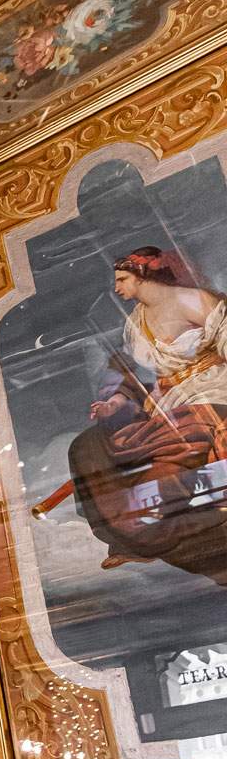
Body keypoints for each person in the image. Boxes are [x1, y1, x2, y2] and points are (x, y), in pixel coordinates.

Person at [66, 246, 227, 582]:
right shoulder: (135, 321)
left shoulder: (193, 300)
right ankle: (131, 538)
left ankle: (156, 530)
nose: (117, 287)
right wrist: (117, 402)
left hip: (213, 391)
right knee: (88, 448)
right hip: (165, 403)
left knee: (165, 467)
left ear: (143, 275)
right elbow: (128, 373)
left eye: (122, 279)